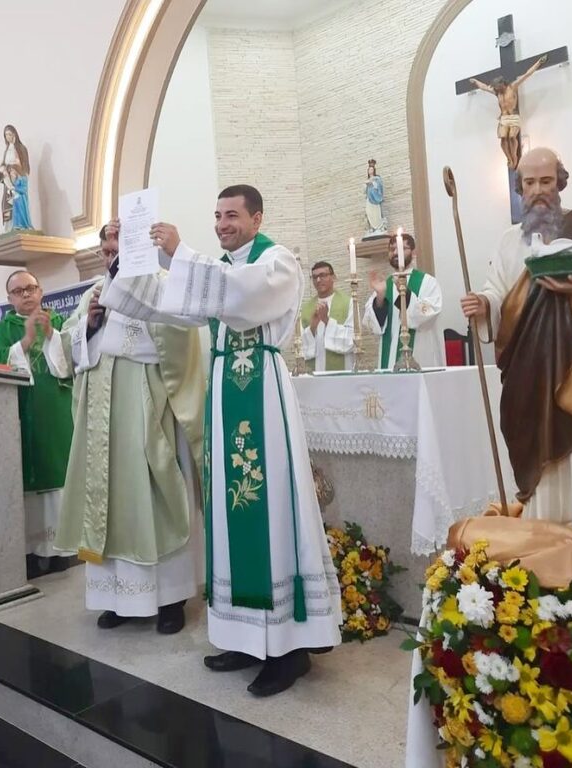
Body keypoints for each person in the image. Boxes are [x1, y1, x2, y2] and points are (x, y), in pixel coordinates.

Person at [100, 184, 342, 697]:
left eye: (232, 215)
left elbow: (242, 296)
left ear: (257, 217)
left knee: (270, 511)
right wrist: (131, 261)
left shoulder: (278, 261)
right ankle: (245, 637)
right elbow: (171, 305)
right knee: (231, 521)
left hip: (263, 397)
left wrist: (179, 253)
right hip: (227, 398)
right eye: (217, 215)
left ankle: (289, 649)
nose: (223, 223)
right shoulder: (216, 270)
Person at [42, 225, 205, 635]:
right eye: (104, 244)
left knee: (150, 500)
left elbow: (180, 342)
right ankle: (117, 597)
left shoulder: (161, 285)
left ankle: (170, 600)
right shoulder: (92, 293)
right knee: (107, 502)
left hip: (144, 406)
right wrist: (91, 328)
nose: (109, 249)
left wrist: (119, 324)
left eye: (117, 242)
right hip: (101, 414)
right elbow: (67, 353)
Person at [460, 146, 572, 533]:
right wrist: (483, 305)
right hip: (527, 372)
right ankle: (544, 515)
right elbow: (499, 294)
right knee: (531, 437)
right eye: (529, 183)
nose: (538, 190)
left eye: (546, 181)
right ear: (520, 188)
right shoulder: (509, 242)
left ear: (560, 183)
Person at [0, 270, 75, 577]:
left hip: (58, 412)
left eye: (31, 288)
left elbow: (74, 359)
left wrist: (50, 335)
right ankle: (29, 555)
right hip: (20, 412)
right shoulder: (1, 329)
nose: (26, 294)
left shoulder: (60, 322)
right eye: (18, 291)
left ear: (41, 290)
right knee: (27, 479)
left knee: (60, 472)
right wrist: (25, 340)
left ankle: (62, 550)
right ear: (9, 298)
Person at [363, 233, 445, 369]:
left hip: (420, 354)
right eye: (392, 249)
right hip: (389, 361)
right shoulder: (385, 284)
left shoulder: (427, 282)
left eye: (401, 249)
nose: (395, 253)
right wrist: (380, 298)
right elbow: (372, 325)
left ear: (413, 252)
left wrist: (405, 293)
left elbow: (430, 314)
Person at [469, 54, 547, 169]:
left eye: (497, 86)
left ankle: (514, 157)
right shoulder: (497, 92)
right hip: (504, 118)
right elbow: (484, 87)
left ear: (502, 84)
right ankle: (509, 158)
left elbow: (527, 74)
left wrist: (539, 63)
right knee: (503, 140)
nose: (496, 89)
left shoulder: (512, 87)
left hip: (513, 116)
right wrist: (475, 81)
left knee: (511, 137)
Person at [300, 261, 353, 372]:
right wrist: (313, 327)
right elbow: (300, 346)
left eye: (323, 275)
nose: (318, 280)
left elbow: (352, 339)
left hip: (341, 372)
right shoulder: (306, 308)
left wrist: (326, 320)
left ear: (333, 277)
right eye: (314, 277)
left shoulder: (348, 303)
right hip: (315, 372)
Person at [0, 124, 33, 233]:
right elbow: (3, 164)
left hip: (17, 177)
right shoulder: (6, 150)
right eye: (6, 135)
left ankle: (20, 224)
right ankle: (9, 227)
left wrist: (14, 169)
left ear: (14, 134)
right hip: (8, 180)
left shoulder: (21, 148)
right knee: (7, 203)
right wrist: (2, 168)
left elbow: (24, 166)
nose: (8, 137)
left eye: (9, 134)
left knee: (18, 201)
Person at [363, 159, 387, 237]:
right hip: (369, 199)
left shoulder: (377, 178)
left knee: (376, 212)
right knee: (369, 212)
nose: (370, 170)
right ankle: (372, 227)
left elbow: (379, 187)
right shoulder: (366, 180)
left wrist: (373, 183)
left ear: (374, 170)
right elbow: (364, 191)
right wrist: (366, 184)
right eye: (369, 169)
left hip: (375, 198)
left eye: (372, 169)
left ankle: (378, 227)